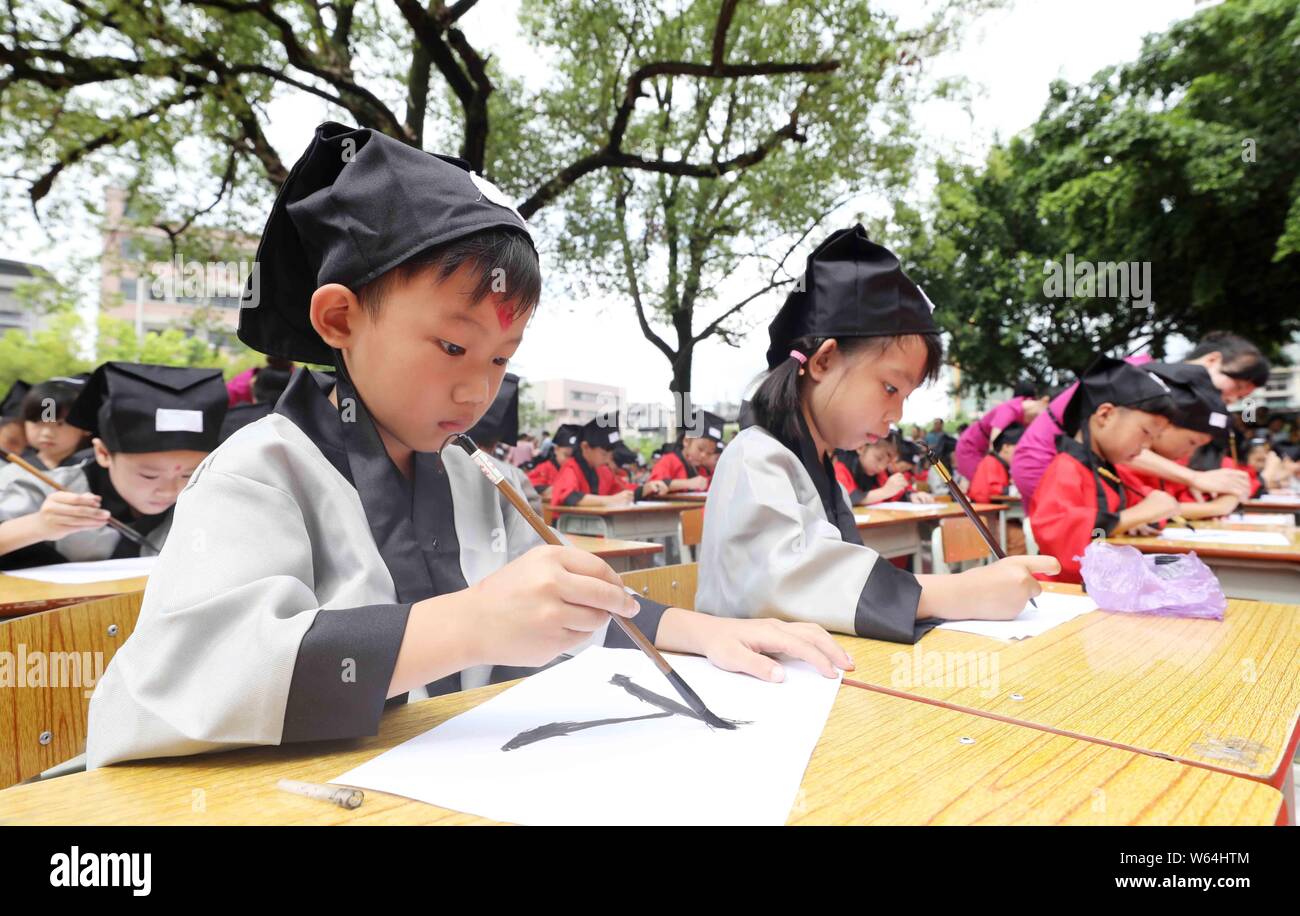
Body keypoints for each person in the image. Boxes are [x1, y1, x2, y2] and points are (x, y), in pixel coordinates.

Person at [86, 122, 848, 768]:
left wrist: (701, 631)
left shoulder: (471, 478)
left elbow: (563, 611)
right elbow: (190, 686)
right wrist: (471, 622)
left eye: (500, 359)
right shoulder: (260, 472)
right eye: (453, 347)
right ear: (340, 319)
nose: (477, 391)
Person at [696, 225, 1057, 644]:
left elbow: (838, 572)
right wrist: (959, 591)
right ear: (824, 361)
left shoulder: (819, 463)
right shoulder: (754, 455)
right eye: (890, 388)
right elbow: (782, 585)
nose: (897, 413)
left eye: (905, 395)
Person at [0, 362, 227, 570]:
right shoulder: (50, 488)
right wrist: (39, 525)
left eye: (189, 473)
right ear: (102, 453)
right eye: (149, 475)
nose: (169, 490)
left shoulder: (212, 494)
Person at [1011, 332, 1269, 507]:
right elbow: (1125, 447)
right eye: (1236, 386)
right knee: (1069, 539)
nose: (1232, 398)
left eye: (1241, 396)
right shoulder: (1141, 375)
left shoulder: (1160, 381)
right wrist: (1193, 478)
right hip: (1045, 458)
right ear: (1212, 360)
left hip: (1074, 464)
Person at [1028, 357, 1182, 583]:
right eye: (1145, 432)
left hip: (1105, 587)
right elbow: (1060, 543)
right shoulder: (1065, 468)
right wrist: (1133, 516)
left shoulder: (1111, 471)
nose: (1147, 446)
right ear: (1105, 415)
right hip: (1061, 594)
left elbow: (1153, 508)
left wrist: (1139, 520)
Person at [648, 409, 724, 492]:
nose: (704, 455)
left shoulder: (702, 470)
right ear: (686, 441)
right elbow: (653, 486)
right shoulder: (668, 461)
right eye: (700, 449)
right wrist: (688, 483)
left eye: (709, 453)